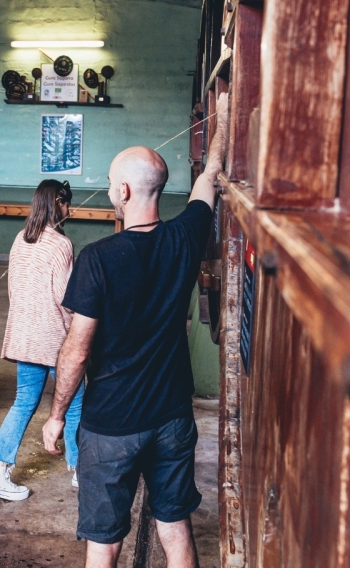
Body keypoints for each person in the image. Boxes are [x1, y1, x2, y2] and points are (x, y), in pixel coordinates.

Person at [42, 94, 229, 567]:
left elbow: (77, 351)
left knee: (104, 543)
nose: (107, 191)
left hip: (111, 426)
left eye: (109, 184)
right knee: (174, 525)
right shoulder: (184, 237)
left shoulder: (98, 259)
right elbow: (209, 179)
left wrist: (57, 414)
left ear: (123, 192)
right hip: (171, 416)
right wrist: (223, 120)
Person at [0, 180, 83, 501]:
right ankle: (82, 470)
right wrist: (77, 337)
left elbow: (14, 292)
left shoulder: (19, 239)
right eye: (65, 203)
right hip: (54, 339)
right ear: (57, 204)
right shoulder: (62, 245)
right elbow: (66, 299)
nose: (69, 210)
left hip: (25, 336)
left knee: (23, 402)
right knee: (76, 402)